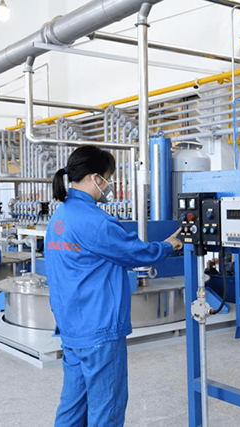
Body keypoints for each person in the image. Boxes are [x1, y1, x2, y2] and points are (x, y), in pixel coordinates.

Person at [44, 145, 182, 427]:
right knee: (106, 407)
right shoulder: (96, 221)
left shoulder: (59, 217)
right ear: (95, 178)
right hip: (99, 328)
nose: (108, 185)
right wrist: (168, 245)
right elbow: (135, 253)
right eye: (107, 179)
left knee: (72, 407)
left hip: (71, 326)